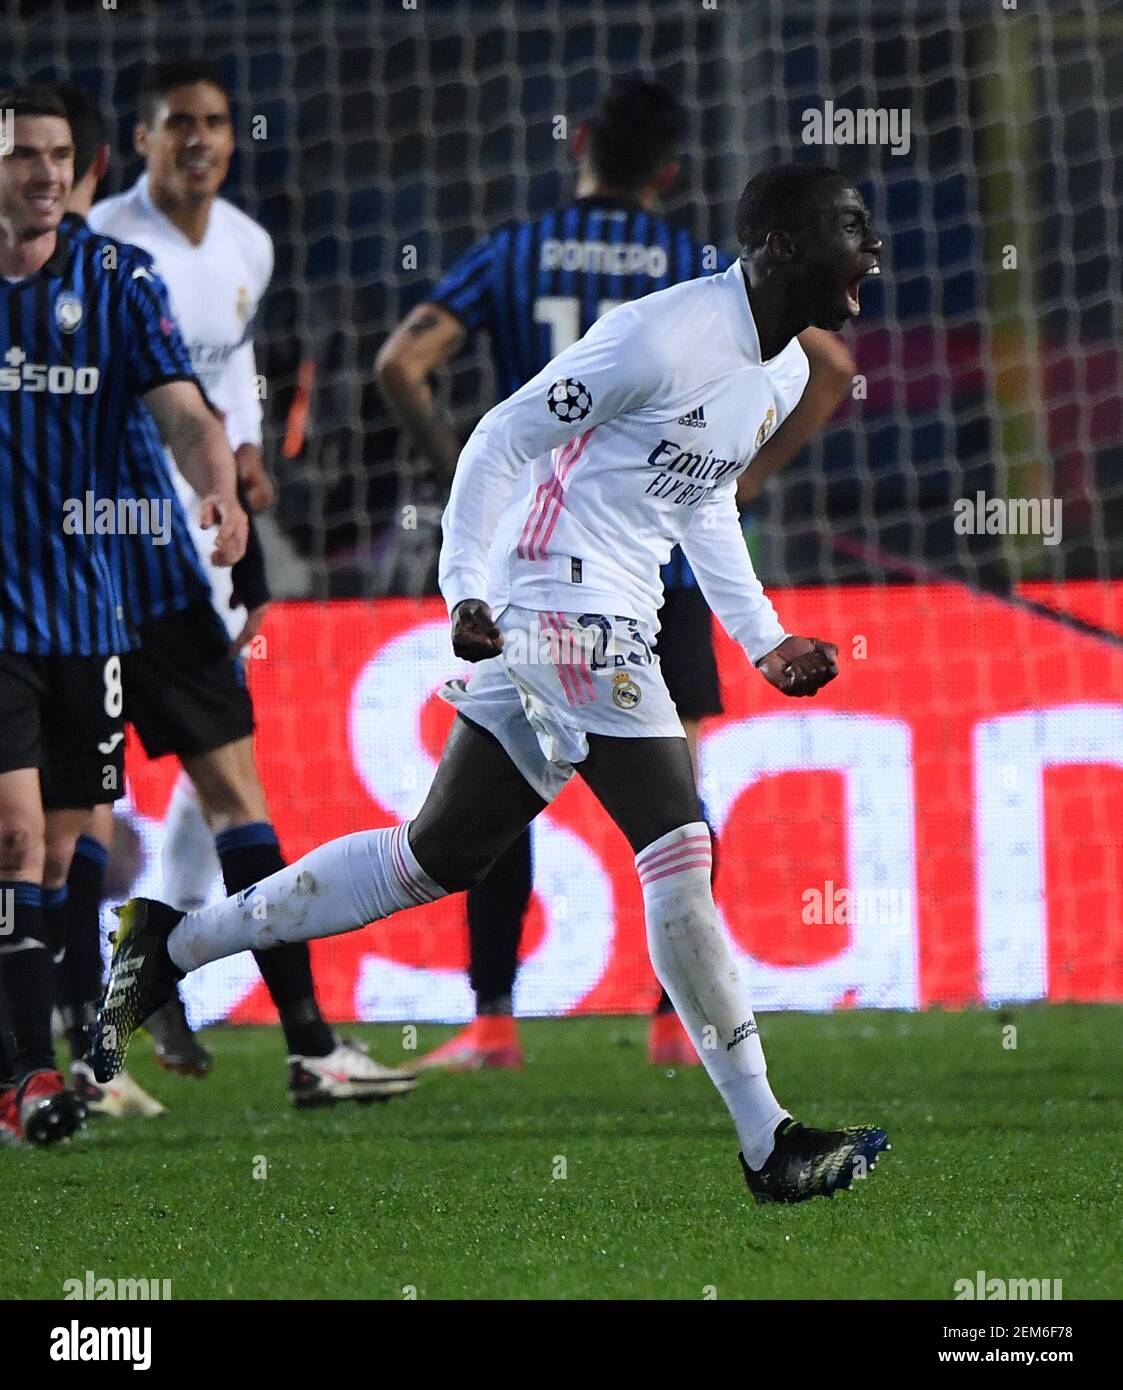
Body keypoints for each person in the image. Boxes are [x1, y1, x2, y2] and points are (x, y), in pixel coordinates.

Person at [95, 162, 890, 1203]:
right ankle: (766, 1138)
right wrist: (464, 584)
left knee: (431, 857)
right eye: (849, 227)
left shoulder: (780, 371)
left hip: (610, 614)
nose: (870, 247)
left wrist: (764, 637)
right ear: (783, 245)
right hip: (558, 605)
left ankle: (171, 941)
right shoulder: (660, 335)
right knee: (680, 842)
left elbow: (697, 502)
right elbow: (504, 433)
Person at [375, 79, 855, 1069]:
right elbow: (832, 364)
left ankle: (493, 1020)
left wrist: (469, 482)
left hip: (542, 553)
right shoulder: (697, 270)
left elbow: (401, 362)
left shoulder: (513, 249)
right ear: (671, 172)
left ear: (579, 142)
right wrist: (741, 474)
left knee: (503, 789)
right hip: (661, 570)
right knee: (669, 797)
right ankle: (670, 1023)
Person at [80, 66, 415, 1107]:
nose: (201, 140)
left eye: (217, 123)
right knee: (74, 811)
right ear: (141, 136)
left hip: (197, 556)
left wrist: (251, 481)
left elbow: (225, 380)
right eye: (180, 122)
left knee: (228, 784)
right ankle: (87, 1048)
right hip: (90, 556)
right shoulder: (95, 244)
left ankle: (295, 1037)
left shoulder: (247, 246)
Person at [0, 85, 247, 1146]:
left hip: (89, 615)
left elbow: (183, 409)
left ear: (82, 168)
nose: (44, 173)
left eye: (57, 155)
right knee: (15, 838)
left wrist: (218, 485)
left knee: (65, 853)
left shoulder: (117, 280)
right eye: (21, 156)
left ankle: (39, 1054)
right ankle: (28, 1077)